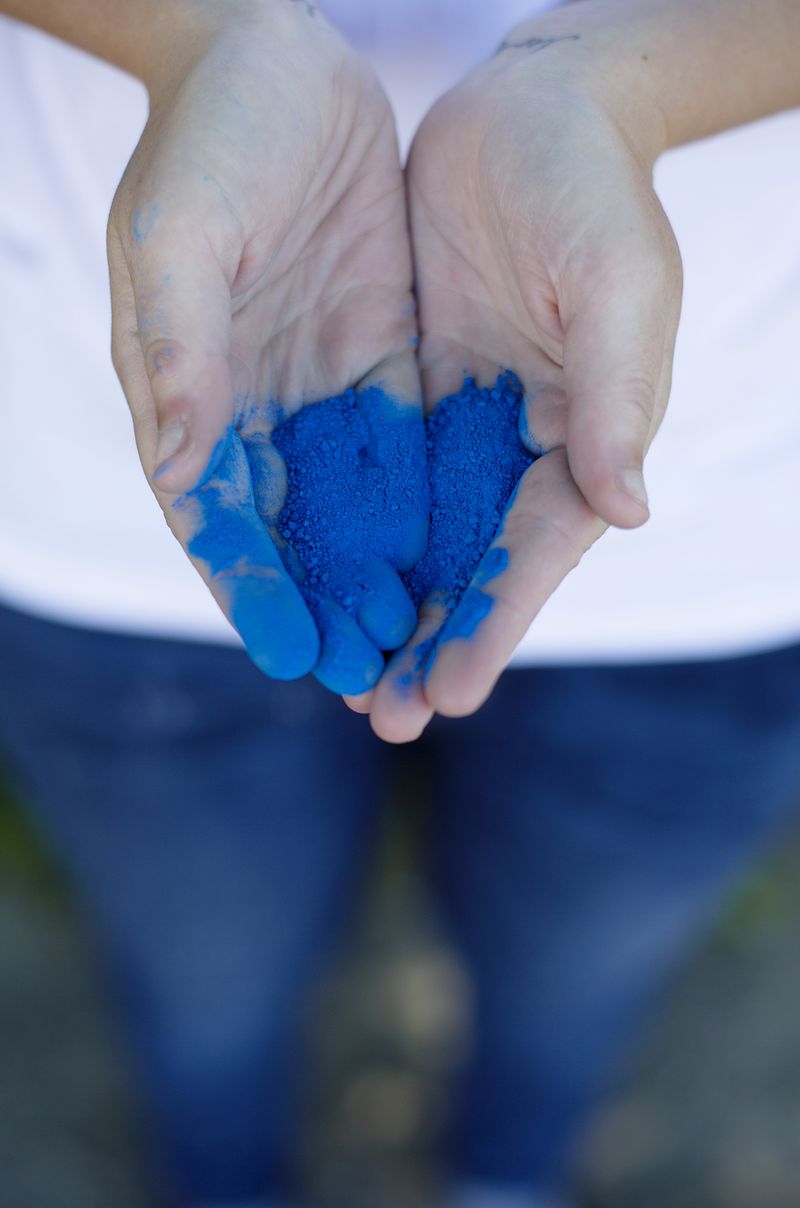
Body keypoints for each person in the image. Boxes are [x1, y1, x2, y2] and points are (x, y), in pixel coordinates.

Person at [0, 0, 799, 1205]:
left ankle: (502, 1172)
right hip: (129, 457)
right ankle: (228, 1176)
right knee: (206, 978)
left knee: (565, 982)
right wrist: (197, 37)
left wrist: (618, 96)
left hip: (721, 514)